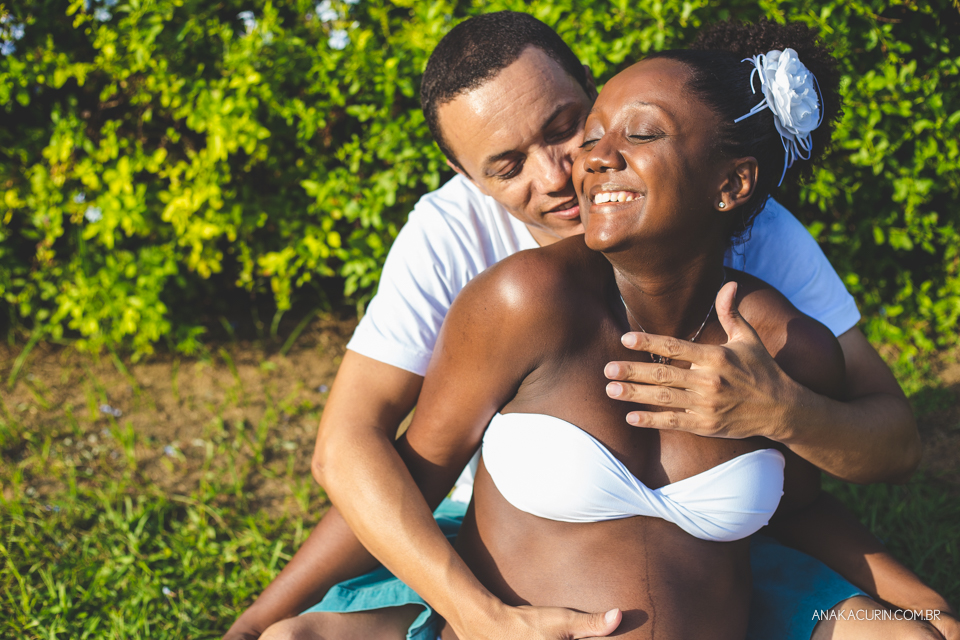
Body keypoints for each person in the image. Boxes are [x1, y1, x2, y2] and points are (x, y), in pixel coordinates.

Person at [223, 13, 946, 640]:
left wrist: (788, 417)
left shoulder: (771, 285)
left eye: (572, 127)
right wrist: (463, 612)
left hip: (722, 577)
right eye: (507, 166)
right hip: (511, 566)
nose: (566, 171)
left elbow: (823, 482)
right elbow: (370, 455)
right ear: (467, 176)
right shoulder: (496, 276)